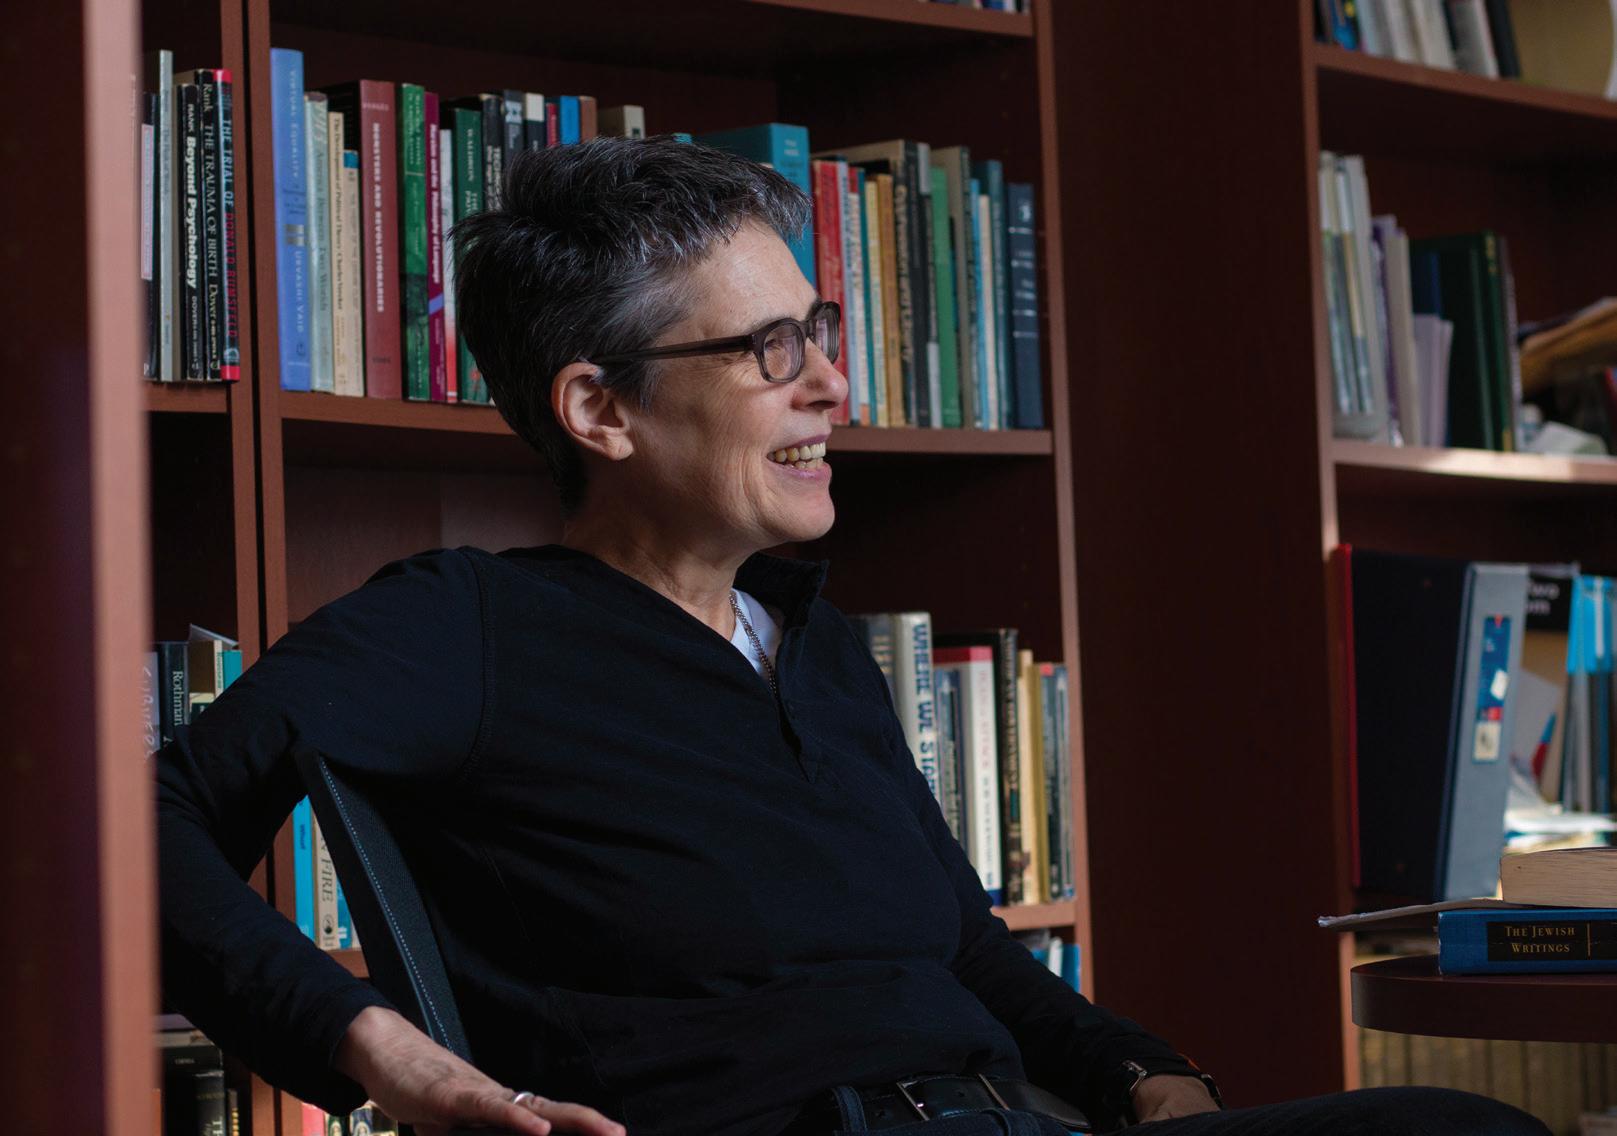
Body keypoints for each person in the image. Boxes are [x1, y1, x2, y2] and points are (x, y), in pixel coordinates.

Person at [155, 137, 1548, 1136]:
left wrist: (1141, 1072)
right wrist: (384, 1055)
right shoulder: (465, 625)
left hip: (1013, 1117)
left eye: (819, 331)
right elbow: (131, 828)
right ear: (601, 411)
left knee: (1458, 1129)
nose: (833, 383)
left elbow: (965, 951)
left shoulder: (809, 643)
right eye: (771, 350)